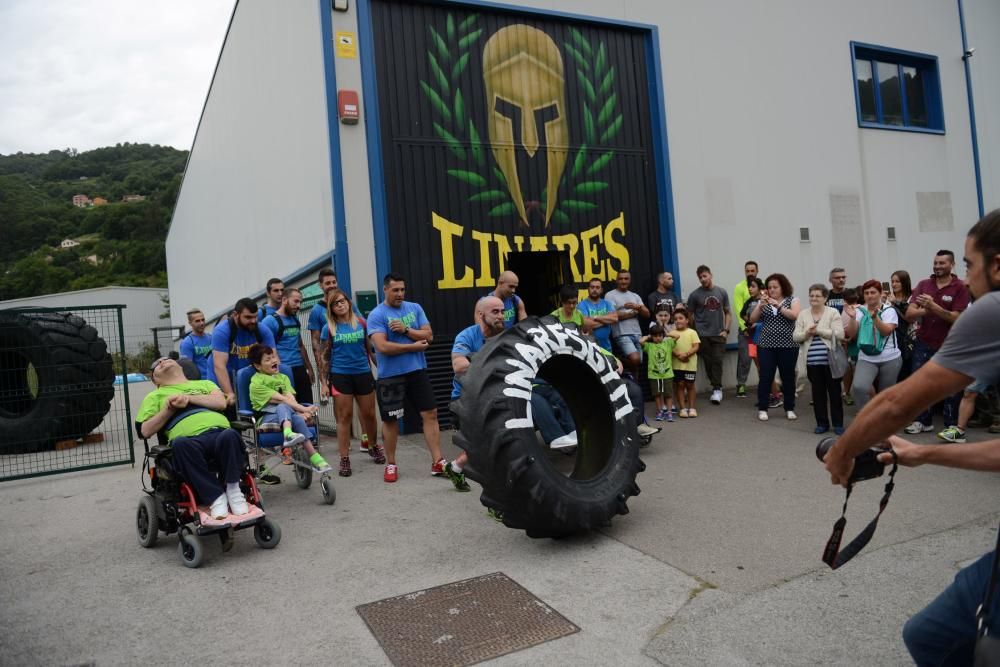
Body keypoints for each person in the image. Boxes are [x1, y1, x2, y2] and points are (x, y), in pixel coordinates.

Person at [824, 210, 1000, 665]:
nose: (966, 275)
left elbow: (895, 404)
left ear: (997, 266)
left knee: (941, 641)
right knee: (930, 637)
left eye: (969, 264)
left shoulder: (992, 309)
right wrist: (923, 456)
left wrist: (843, 452)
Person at [136, 357, 249, 520]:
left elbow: (221, 403)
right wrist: (169, 409)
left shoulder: (206, 384)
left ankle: (233, 489)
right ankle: (216, 497)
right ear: (156, 380)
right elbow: (144, 431)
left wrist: (188, 398)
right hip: (188, 442)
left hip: (219, 434)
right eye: (157, 365)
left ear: (181, 368)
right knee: (181, 444)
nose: (162, 362)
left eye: (167, 359)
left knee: (231, 435)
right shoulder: (155, 396)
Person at [367, 273, 446, 483]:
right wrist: (412, 345)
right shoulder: (377, 315)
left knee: (430, 413)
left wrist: (406, 329)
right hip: (390, 376)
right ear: (385, 289)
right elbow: (382, 347)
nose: (400, 294)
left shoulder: (415, 308)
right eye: (395, 290)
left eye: (402, 289)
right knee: (391, 420)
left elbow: (428, 336)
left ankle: (438, 461)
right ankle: (391, 463)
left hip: (417, 371)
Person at [904, 249, 972, 434]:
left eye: (942, 263)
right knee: (920, 384)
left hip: (950, 345)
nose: (937, 266)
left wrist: (933, 306)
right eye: (935, 262)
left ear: (952, 264)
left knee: (951, 386)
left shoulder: (960, 287)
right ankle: (923, 421)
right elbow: (909, 314)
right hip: (924, 342)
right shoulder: (924, 284)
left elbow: (957, 318)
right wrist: (925, 311)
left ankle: (951, 425)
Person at [320, 289, 384, 477]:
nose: (340, 305)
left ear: (348, 302)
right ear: (331, 308)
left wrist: (382, 369)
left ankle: (373, 446)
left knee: (370, 415)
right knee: (344, 417)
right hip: (341, 376)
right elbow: (323, 357)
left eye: (342, 301)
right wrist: (324, 382)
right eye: (335, 303)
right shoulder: (329, 328)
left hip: (363, 373)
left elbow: (370, 349)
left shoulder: (361, 323)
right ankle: (344, 458)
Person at [447, 296, 508, 492]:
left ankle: (455, 467)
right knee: (488, 448)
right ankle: (496, 503)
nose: (501, 316)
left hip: (495, 398)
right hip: (466, 400)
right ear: (482, 315)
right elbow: (458, 365)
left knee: (491, 445)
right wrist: (488, 363)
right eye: (495, 312)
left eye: (502, 311)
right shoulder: (467, 336)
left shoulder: (504, 336)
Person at [247, 344, 331, 474]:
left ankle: (315, 457)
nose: (274, 361)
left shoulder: (283, 377)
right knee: (283, 406)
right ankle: (288, 434)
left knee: (296, 418)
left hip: (287, 413)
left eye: (273, 357)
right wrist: (305, 409)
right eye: (268, 359)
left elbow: (291, 398)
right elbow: (282, 400)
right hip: (266, 417)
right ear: (258, 366)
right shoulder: (256, 383)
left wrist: (298, 411)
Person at [793, 284, 845, 434]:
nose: (814, 298)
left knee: (835, 393)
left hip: (831, 361)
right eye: (811, 295)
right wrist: (807, 334)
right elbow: (796, 336)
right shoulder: (803, 314)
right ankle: (822, 423)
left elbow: (840, 334)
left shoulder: (833, 312)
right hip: (812, 362)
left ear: (825, 298)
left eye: (817, 296)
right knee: (817, 394)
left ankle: (838, 424)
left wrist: (819, 331)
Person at [748, 273, 801, 421]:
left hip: (788, 344)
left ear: (783, 287)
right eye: (769, 287)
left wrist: (778, 305)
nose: (772, 290)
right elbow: (752, 319)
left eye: (775, 287)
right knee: (766, 376)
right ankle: (763, 408)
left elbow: (794, 315)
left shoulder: (792, 300)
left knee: (788, 376)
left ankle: (789, 407)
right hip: (766, 345)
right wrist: (760, 306)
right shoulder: (763, 301)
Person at [211, 297, 276, 412]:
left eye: (255, 316)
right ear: (236, 315)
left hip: (246, 379)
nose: (253, 321)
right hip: (223, 379)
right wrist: (229, 393)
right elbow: (219, 366)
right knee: (230, 415)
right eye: (248, 317)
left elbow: (274, 360)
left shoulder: (262, 330)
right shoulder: (222, 331)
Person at [845, 279, 901, 410]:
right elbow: (851, 334)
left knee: (886, 393)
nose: (869, 295)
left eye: (873, 292)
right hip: (866, 357)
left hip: (890, 357)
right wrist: (852, 318)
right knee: (859, 387)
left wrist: (875, 317)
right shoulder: (859, 311)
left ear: (880, 293)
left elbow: (886, 331)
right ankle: (866, 416)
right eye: (866, 293)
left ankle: (885, 422)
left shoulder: (889, 311)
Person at [260, 288, 316, 405]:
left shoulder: (295, 320)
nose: (299, 305)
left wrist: (309, 368)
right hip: (282, 371)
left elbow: (300, 345)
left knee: (308, 406)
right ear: (285, 300)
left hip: (299, 369)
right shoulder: (269, 321)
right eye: (295, 301)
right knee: (289, 407)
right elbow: (265, 350)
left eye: (300, 302)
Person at [686, 265, 731, 405]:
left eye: (705, 276)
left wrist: (726, 330)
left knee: (717, 360)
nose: (703, 279)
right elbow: (689, 314)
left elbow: (728, 312)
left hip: (718, 333)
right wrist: (695, 331)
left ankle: (717, 389)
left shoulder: (721, 292)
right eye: (700, 277)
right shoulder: (694, 295)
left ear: (710, 275)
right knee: (708, 362)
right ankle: (715, 386)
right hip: (702, 335)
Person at [605, 269, 650, 378]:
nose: (623, 281)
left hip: (637, 333)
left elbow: (647, 314)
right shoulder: (610, 295)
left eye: (626, 279)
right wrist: (631, 313)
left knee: (637, 365)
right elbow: (613, 316)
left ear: (629, 280)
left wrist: (637, 307)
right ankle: (617, 360)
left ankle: (636, 388)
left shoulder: (635, 296)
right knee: (635, 360)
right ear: (616, 280)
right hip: (622, 334)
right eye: (621, 279)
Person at [733, 261, 759, 398]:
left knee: (762, 359)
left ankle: (766, 384)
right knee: (745, 357)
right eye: (747, 271)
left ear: (757, 271)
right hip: (746, 331)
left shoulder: (762, 285)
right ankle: (741, 384)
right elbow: (738, 309)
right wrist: (745, 327)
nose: (750, 273)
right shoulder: (739, 287)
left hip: (761, 331)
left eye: (752, 270)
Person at [641, 324, 676, 422]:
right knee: (657, 394)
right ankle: (660, 411)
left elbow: (677, 336)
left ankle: (669, 412)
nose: (658, 338)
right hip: (654, 375)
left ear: (663, 335)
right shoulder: (649, 346)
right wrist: (648, 336)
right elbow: (641, 341)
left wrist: (667, 334)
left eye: (660, 335)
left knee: (668, 394)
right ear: (652, 336)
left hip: (667, 374)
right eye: (655, 336)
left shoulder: (668, 343)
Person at [669, 309, 700, 418]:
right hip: (677, 364)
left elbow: (696, 346)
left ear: (687, 320)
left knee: (690, 385)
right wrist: (678, 355)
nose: (678, 321)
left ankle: (692, 408)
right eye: (675, 319)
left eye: (681, 318)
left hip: (690, 364)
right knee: (680, 385)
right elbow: (669, 347)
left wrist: (686, 354)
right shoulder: (671, 333)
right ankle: (682, 408)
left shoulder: (692, 332)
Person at [578, 278, 618, 353]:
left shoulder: (607, 304)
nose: (595, 290)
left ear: (601, 290)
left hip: (606, 348)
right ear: (588, 289)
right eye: (592, 287)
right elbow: (586, 324)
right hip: (589, 349)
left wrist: (595, 317)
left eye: (597, 287)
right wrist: (606, 320)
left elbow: (615, 318)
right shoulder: (581, 305)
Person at [889, 270, 915, 382]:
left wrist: (895, 303)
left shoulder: (912, 298)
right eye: (892, 281)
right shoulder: (888, 298)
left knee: (908, 373)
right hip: (892, 339)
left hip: (908, 340)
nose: (894, 284)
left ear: (904, 282)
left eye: (897, 281)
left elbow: (910, 318)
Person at [179, 308, 213, 381]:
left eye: (203, 320)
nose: (201, 323)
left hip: (215, 380)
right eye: (197, 321)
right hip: (200, 383)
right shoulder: (187, 343)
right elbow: (187, 369)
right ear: (190, 323)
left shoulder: (211, 338)